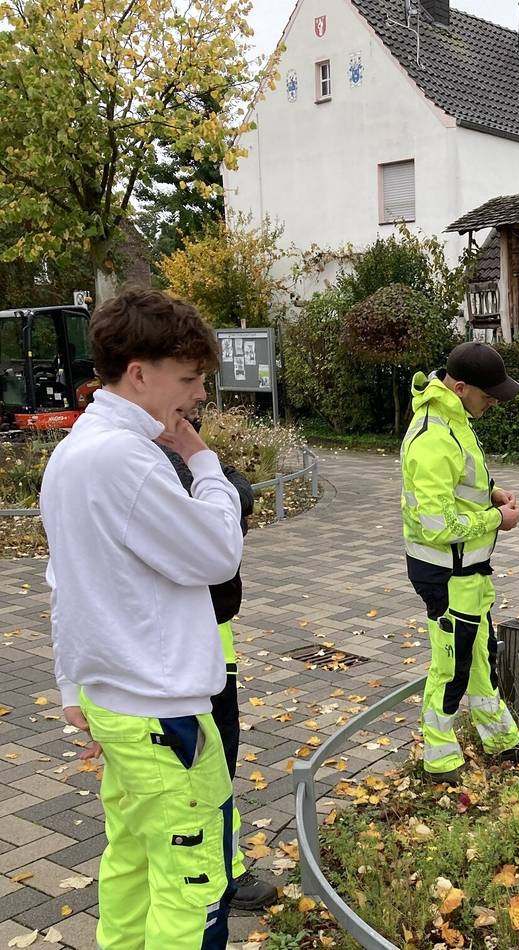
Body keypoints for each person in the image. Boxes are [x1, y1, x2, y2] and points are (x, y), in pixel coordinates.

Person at [40, 289, 245, 949]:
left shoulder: (73, 453)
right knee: (192, 887)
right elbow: (216, 553)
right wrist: (203, 461)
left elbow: (63, 583)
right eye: (187, 380)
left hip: (119, 706)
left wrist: (75, 687)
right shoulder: (123, 460)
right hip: (163, 712)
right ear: (139, 374)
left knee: (131, 866)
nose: (196, 397)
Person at [401, 341, 519, 783]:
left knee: (482, 655)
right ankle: (440, 760)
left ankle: (501, 740)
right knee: (451, 666)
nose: (492, 404)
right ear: (461, 387)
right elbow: (435, 523)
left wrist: (491, 493)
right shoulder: (433, 436)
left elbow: (457, 487)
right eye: (488, 397)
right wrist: (495, 519)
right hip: (445, 572)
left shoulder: (453, 420)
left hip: (467, 569)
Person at [159, 412, 277, 911]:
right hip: (189, 651)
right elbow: (231, 501)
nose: (200, 402)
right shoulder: (153, 461)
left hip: (207, 641)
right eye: (189, 386)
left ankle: (210, 867)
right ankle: (220, 874)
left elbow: (239, 490)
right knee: (205, 771)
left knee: (207, 766)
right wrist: (215, 477)